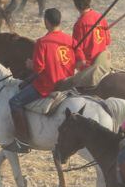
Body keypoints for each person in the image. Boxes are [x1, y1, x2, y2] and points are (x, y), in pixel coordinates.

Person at [6, 8, 80, 153]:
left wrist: (30, 64)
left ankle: (22, 141)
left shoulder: (42, 42)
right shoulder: (70, 40)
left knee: (14, 102)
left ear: (46, 22)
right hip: (67, 82)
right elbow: (79, 61)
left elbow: (39, 69)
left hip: (48, 86)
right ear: (59, 21)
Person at [54, 0, 113, 91]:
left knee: (65, 88)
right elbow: (107, 41)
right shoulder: (100, 17)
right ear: (89, 0)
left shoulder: (80, 24)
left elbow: (78, 52)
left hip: (90, 68)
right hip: (104, 62)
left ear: (75, 4)